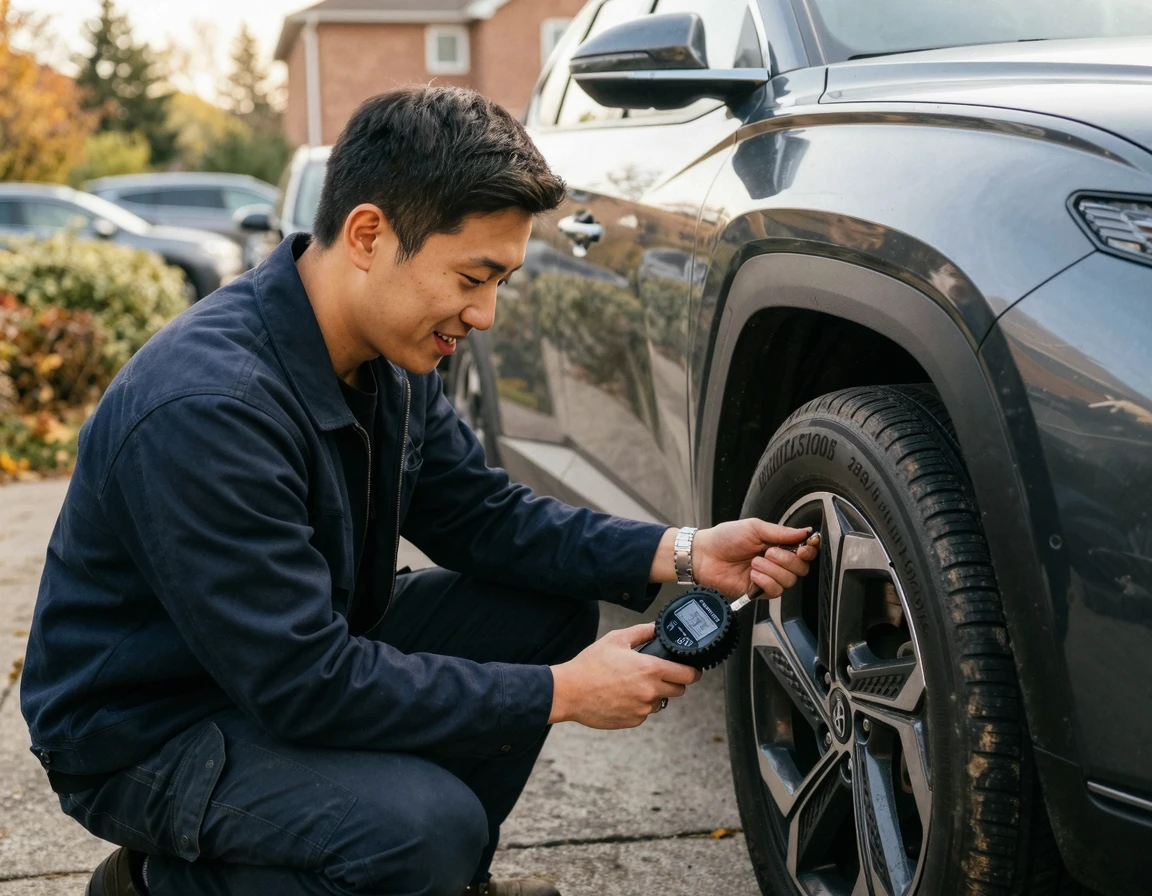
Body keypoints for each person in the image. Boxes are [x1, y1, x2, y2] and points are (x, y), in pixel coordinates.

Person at [21, 86, 818, 896]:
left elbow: (482, 515)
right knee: (425, 829)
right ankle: (159, 886)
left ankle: (435, 881)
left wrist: (683, 553)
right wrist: (563, 693)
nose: (486, 313)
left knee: (544, 608)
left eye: (501, 280)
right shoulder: (209, 409)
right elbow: (305, 684)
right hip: (148, 730)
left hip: (275, 662)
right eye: (474, 276)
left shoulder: (389, 355)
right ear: (369, 234)